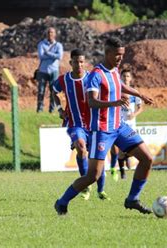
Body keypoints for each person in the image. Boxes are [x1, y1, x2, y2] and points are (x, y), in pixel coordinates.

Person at [54, 37, 154, 216]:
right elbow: (91, 102)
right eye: (117, 55)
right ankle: (62, 201)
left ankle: (132, 199)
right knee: (93, 176)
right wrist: (115, 102)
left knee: (147, 158)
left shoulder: (115, 70)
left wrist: (139, 94)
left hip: (119, 127)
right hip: (102, 131)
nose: (120, 58)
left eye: (122, 55)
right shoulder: (95, 75)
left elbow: (119, 85)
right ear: (107, 53)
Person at [52, 49, 109, 201]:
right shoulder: (64, 80)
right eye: (76, 61)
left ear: (85, 62)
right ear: (71, 63)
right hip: (75, 123)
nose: (79, 64)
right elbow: (54, 92)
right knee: (80, 147)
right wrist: (60, 109)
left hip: (93, 123)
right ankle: (85, 184)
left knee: (97, 158)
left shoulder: (92, 78)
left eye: (82, 61)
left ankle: (101, 190)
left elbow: (105, 92)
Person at [110, 68, 143, 180]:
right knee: (120, 150)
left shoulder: (134, 92)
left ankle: (127, 157)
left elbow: (140, 107)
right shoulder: (117, 91)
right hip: (120, 124)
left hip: (131, 125)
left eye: (128, 76)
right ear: (121, 78)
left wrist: (134, 114)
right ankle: (122, 172)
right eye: (124, 76)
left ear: (131, 78)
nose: (126, 78)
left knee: (133, 148)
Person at [36, 27, 64, 113]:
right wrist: (53, 55)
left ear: (55, 34)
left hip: (54, 71)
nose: (50, 34)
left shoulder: (58, 45)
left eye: (52, 32)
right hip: (43, 71)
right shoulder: (41, 44)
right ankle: (39, 109)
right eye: (48, 32)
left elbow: (59, 56)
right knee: (41, 91)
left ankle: (51, 110)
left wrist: (47, 53)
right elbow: (41, 56)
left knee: (53, 91)